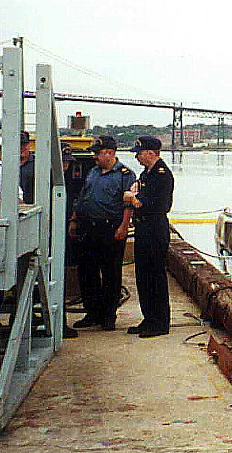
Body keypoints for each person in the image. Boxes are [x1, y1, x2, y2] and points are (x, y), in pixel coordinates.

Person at [69, 136, 136, 331]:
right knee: (87, 271)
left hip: (110, 229)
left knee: (110, 273)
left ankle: (108, 316)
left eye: (98, 153)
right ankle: (92, 312)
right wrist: (74, 219)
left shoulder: (125, 175)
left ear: (110, 153)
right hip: (88, 227)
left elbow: (128, 203)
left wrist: (123, 227)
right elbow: (82, 197)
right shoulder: (93, 172)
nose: (94, 156)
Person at [125, 136, 174, 338]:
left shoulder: (161, 175)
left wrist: (131, 196)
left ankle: (160, 322)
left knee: (155, 275)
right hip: (144, 228)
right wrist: (134, 197)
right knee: (143, 276)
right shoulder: (147, 174)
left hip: (155, 228)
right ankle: (149, 318)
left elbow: (143, 202)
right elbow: (137, 199)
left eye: (139, 152)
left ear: (150, 153)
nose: (136, 157)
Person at [19, 131, 35, 204]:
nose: (21, 147)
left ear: (29, 145)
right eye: (18, 144)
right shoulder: (5, 165)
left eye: (24, 144)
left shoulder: (37, 165)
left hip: (31, 208)